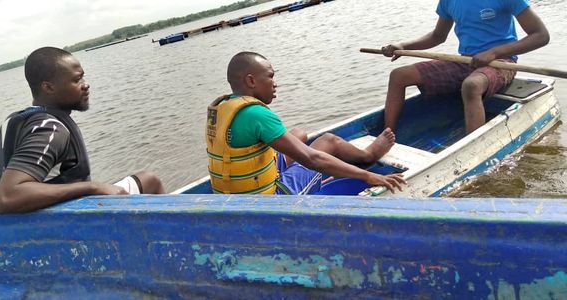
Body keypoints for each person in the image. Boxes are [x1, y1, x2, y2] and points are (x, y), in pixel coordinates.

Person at [206, 51, 405, 195]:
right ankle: (367, 155)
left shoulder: (223, 107)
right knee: (327, 142)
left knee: (299, 133)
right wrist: (367, 176)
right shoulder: (257, 114)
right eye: (270, 76)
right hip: (269, 200)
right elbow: (313, 159)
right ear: (251, 81)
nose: (275, 83)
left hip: (234, 191)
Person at [0, 47, 165, 214]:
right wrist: (93, 187)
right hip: (63, 223)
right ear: (48, 87)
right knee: (151, 182)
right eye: (77, 80)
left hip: (44, 215)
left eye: (83, 78)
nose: (86, 85)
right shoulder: (50, 129)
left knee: (146, 181)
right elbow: (7, 197)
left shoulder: (16, 121)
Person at [381, 0, 549, 134]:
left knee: (471, 86)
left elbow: (541, 35)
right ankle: (387, 137)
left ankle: (474, 149)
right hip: (467, 62)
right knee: (399, 75)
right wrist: (402, 45)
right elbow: (437, 36)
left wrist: (494, 52)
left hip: (502, 62)